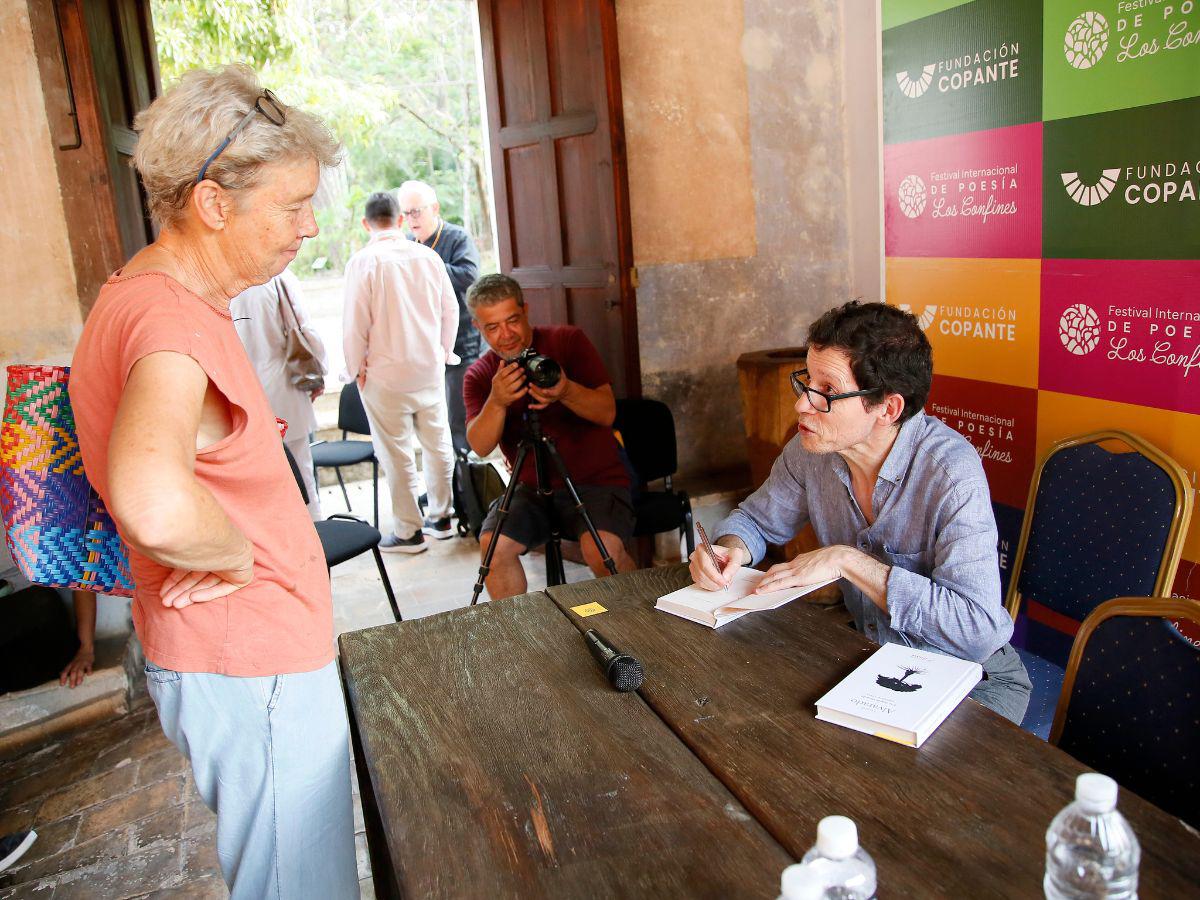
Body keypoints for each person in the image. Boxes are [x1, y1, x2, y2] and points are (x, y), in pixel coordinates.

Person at [69, 65, 357, 898]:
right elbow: (153, 498)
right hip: (249, 659)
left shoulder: (146, 293)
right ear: (213, 204)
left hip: (242, 657)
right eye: (292, 204)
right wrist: (237, 555)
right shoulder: (167, 321)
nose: (308, 226)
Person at [690, 301, 1031, 725]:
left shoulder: (950, 474)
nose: (802, 405)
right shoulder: (811, 451)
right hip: (872, 660)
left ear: (887, 409)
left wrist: (848, 562)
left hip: (971, 678)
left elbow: (976, 630)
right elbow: (755, 522)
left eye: (828, 392)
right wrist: (729, 550)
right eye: (807, 382)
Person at [463, 274, 635, 601]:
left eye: (512, 320)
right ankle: (523, 637)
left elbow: (607, 412)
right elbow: (480, 445)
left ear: (526, 310)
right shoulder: (482, 375)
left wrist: (566, 391)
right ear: (477, 327)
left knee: (601, 550)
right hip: (531, 488)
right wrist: (497, 401)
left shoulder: (567, 341)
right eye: (492, 327)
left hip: (595, 480)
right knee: (492, 546)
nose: (506, 335)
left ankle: (636, 618)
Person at [343, 191, 459, 553]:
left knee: (396, 453)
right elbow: (449, 309)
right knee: (438, 444)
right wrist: (444, 351)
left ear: (366, 224)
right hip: (427, 369)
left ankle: (409, 531)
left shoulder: (363, 262)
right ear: (398, 220)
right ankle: (442, 517)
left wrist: (355, 369)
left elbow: (354, 326)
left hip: (385, 375)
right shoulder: (428, 257)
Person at [230, 267, 328, 518]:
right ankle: (314, 533)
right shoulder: (279, 277)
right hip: (285, 383)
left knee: (260, 473)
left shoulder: (225, 282)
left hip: (243, 389)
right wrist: (320, 371)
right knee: (301, 468)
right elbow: (305, 329)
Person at [397, 180, 481, 456]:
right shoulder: (407, 243)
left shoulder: (456, 238)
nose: (411, 220)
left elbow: (469, 275)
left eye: (416, 212)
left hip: (461, 342)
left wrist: (427, 264)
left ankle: (465, 487)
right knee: (433, 422)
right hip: (424, 346)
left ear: (435, 208)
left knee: (458, 420)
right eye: (406, 214)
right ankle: (444, 485)